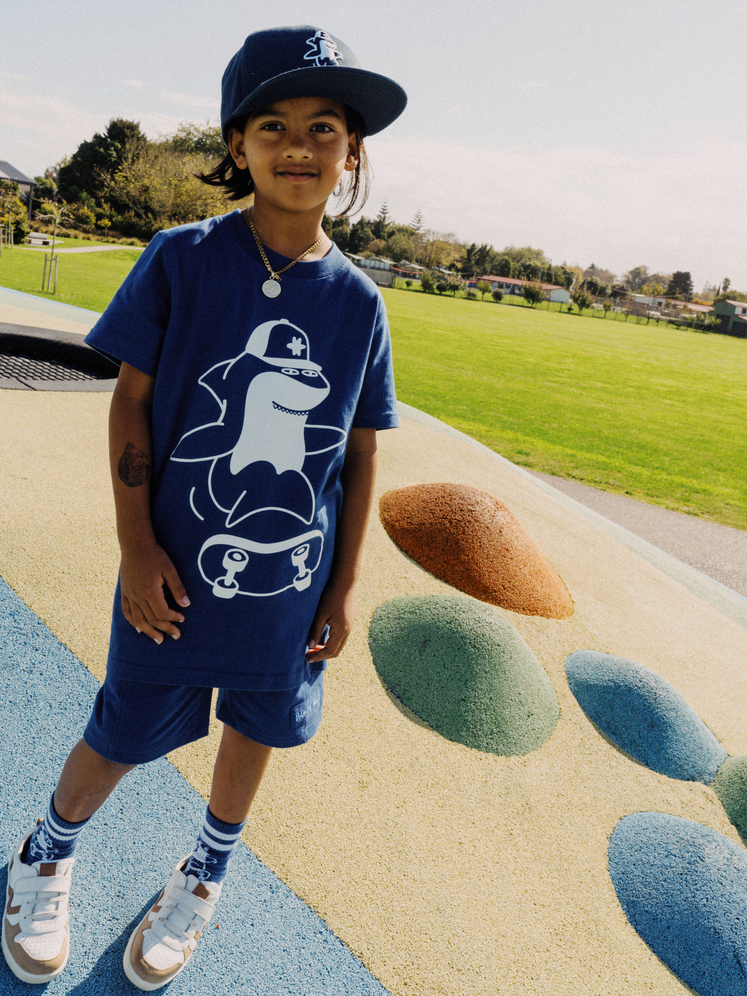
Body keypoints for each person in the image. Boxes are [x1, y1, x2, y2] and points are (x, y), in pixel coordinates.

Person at [2, 25, 406, 990]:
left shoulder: (359, 304)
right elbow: (132, 397)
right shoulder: (184, 258)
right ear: (236, 144)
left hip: (286, 582)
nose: (299, 146)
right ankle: (45, 853)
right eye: (272, 124)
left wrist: (343, 588)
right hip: (174, 571)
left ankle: (206, 872)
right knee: (125, 719)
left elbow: (358, 447)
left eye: (323, 126)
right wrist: (137, 548)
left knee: (258, 725)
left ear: (353, 152)